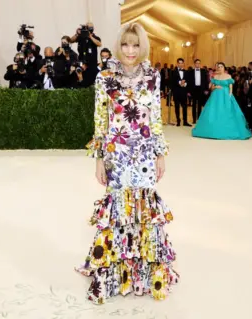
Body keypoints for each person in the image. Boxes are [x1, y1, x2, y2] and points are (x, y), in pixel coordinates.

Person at [76, 22, 179, 305]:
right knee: (118, 209)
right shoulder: (105, 77)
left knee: (145, 209)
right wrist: (99, 160)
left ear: (142, 46)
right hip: (117, 152)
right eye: (125, 44)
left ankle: (146, 274)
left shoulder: (152, 76)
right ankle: (116, 273)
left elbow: (155, 117)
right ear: (118, 45)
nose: (130, 51)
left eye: (135, 45)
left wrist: (160, 153)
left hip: (145, 151)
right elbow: (100, 120)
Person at [191, 62, 252, 140]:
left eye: (221, 66)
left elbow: (231, 88)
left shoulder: (228, 76)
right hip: (215, 97)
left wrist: (229, 96)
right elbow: (210, 88)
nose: (219, 68)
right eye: (218, 67)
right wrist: (215, 86)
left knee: (227, 112)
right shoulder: (215, 77)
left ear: (224, 68)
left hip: (226, 96)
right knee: (213, 112)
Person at [188, 59, 209, 124]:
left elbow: (206, 81)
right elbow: (189, 82)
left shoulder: (204, 71)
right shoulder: (190, 72)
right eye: (196, 63)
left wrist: (206, 89)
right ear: (194, 64)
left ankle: (199, 119)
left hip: (201, 89)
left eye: (199, 63)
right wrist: (188, 91)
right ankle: (194, 119)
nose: (198, 64)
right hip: (193, 90)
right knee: (194, 105)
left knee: (200, 105)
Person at [171, 58, 190, 126]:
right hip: (176, 92)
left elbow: (188, 81)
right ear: (177, 63)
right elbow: (172, 81)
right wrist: (179, 82)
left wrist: (184, 84)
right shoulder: (173, 71)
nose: (181, 64)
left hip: (184, 92)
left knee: (185, 107)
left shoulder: (186, 71)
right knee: (177, 107)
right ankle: (178, 121)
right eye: (179, 63)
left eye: (182, 63)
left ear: (183, 63)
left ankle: (185, 121)